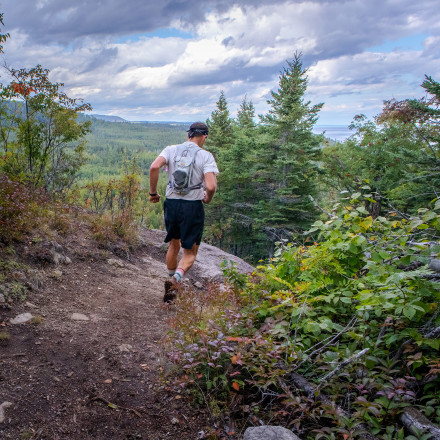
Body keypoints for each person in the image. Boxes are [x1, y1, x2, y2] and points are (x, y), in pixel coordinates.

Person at [149, 122, 218, 302]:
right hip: (192, 206)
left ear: (188, 135)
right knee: (190, 252)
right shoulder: (206, 156)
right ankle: (175, 280)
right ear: (204, 137)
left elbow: (154, 167)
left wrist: (153, 193)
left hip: (172, 203)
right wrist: (207, 198)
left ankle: (170, 283)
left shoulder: (171, 150)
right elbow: (210, 186)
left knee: (174, 244)